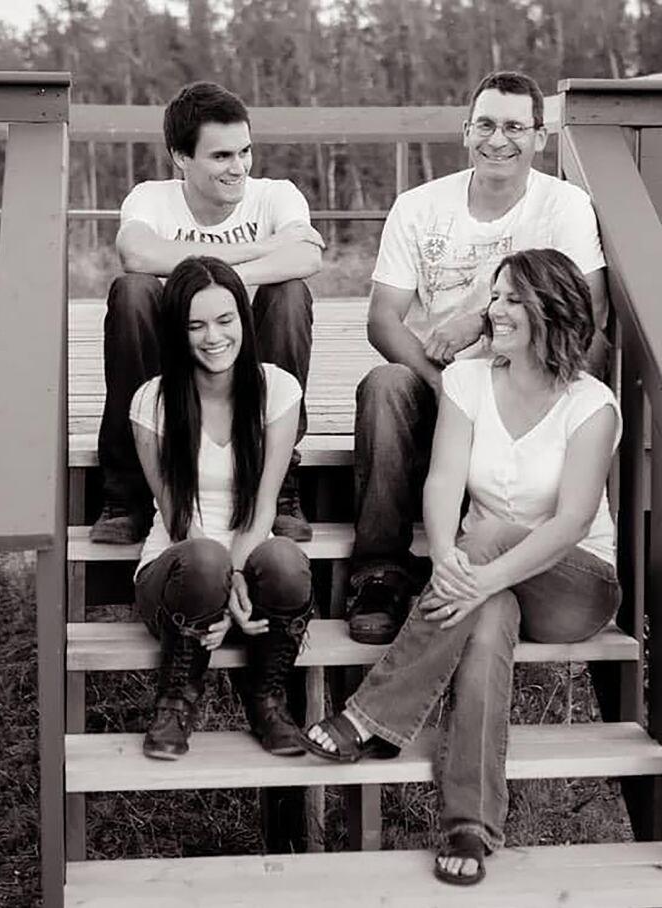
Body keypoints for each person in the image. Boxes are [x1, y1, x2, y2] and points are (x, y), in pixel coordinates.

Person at [304, 248, 622, 886]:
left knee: (495, 535)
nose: (492, 312)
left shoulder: (592, 405)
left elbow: (570, 524)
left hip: (573, 584)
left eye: (508, 300)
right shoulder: (469, 381)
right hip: (483, 577)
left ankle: (369, 716)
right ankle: (469, 825)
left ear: (548, 311)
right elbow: (444, 481)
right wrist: (448, 555)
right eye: (494, 296)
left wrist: (476, 568)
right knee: (484, 625)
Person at [347, 70, 609, 646]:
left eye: (516, 127)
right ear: (466, 132)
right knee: (385, 385)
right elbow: (382, 317)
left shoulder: (565, 206)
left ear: (540, 137)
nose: (499, 139)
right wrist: (447, 391)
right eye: (485, 124)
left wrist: (482, 322)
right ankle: (379, 573)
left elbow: (590, 316)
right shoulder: (419, 206)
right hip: (443, 377)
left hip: (525, 380)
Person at [92, 80, 324, 546]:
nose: (238, 168)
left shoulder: (275, 194)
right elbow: (135, 254)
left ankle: (276, 483)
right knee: (133, 293)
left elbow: (307, 257)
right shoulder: (151, 198)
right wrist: (258, 249)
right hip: (180, 348)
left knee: (289, 295)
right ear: (181, 157)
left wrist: (220, 278)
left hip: (244, 347)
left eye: (245, 152)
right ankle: (128, 490)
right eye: (222, 156)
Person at [131, 255, 313, 760]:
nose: (213, 337)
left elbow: (261, 509)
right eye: (196, 325)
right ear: (177, 331)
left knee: (286, 561)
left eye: (225, 320)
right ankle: (175, 701)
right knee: (205, 558)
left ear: (243, 321)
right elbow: (178, 520)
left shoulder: (278, 389)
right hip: (177, 575)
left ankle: (268, 700)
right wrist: (219, 590)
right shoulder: (152, 402)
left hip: (246, 557)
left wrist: (237, 577)